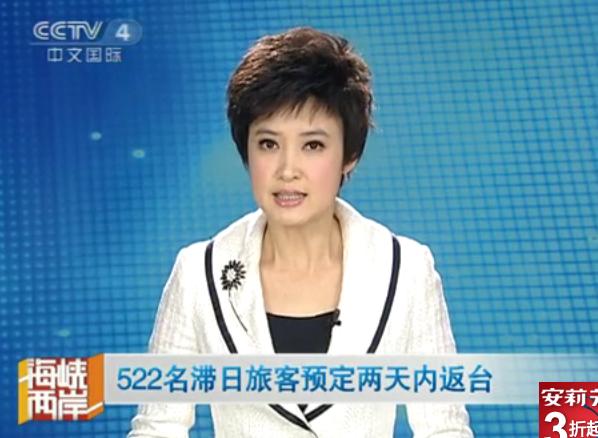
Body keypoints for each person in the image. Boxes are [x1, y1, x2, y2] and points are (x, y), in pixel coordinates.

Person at [128, 27, 474, 437]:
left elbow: (444, 428)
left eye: (312, 145)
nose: (287, 170)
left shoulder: (406, 270)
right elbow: (157, 427)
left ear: (349, 155)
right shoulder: (199, 272)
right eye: (268, 144)